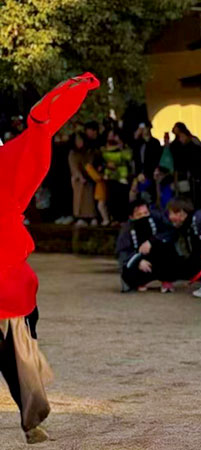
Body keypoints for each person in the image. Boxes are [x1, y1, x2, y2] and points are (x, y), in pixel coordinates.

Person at [0, 72, 99, 444]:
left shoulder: (5, 170)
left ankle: (33, 419)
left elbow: (37, 133)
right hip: (8, 283)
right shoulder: (6, 170)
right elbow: (37, 135)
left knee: (19, 355)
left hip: (7, 280)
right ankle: (32, 420)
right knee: (20, 357)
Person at [116, 200, 178, 293]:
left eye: (146, 213)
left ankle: (166, 279)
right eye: (139, 214)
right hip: (138, 256)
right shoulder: (127, 230)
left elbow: (170, 232)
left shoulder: (156, 218)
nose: (144, 217)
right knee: (128, 271)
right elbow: (123, 252)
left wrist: (152, 241)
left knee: (167, 249)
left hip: (157, 253)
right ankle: (141, 281)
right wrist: (138, 262)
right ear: (132, 217)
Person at [67, 133, 96, 227]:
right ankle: (80, 217)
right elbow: (73, 167)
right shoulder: (73, 153)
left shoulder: (89, 152)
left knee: (89, 198)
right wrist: (79, 176)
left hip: (89, 177)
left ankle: (91, 216)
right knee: (79, 198)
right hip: (78, 180)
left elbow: (90, 163)